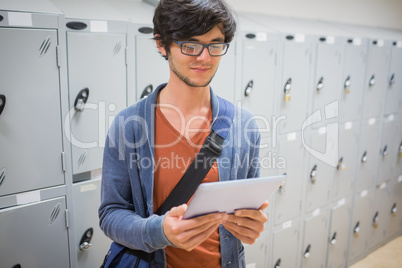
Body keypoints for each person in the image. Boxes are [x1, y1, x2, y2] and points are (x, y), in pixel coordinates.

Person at [98, 0, 268, 267]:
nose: (204, 58)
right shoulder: (128, 126)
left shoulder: (244, 126)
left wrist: (250, 224)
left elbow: (246, 209)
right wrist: (161, 232)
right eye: (190, 45)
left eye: (215, 44)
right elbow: (111, 214)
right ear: (161, 44)